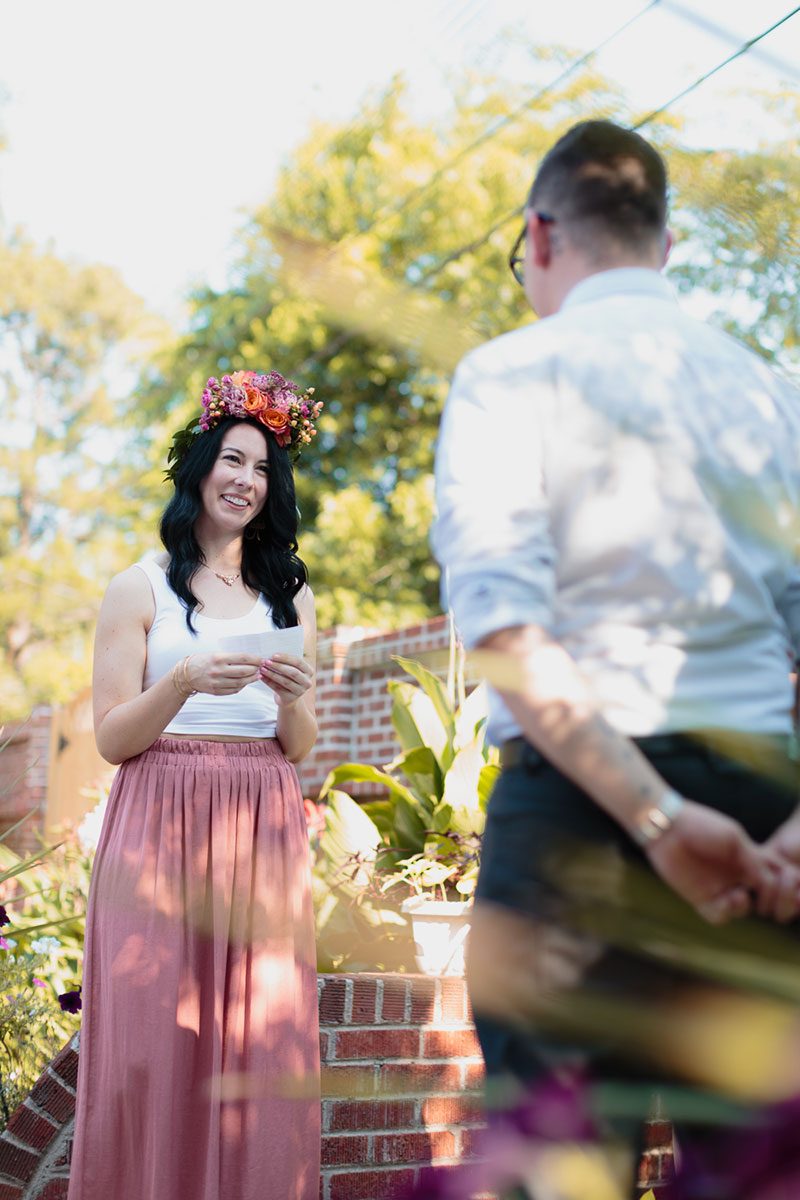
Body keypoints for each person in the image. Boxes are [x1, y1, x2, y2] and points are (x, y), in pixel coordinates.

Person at [432, 120, 800, 1194]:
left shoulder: (505, 374)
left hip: (570, 830)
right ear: (667, 244)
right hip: (764, 828)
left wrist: (651, 821)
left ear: (539, 236)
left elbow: (505, 634)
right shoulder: (773, 395)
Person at [68, 370, 324, 1200]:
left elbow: (302, 745)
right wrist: (180, 683)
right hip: (161, 819)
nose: (245, 480)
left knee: (260, 1041)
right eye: (231, 460)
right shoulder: (136, 588)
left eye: (260, 469)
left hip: (262, 820)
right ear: (200, 468)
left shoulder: (291, 595)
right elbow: (112, 739)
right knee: (147, 1049)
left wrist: (290, 696)